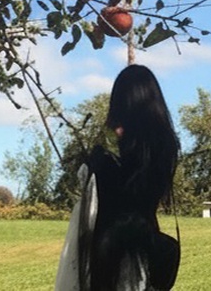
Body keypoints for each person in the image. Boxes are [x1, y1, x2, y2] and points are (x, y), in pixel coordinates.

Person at [55, 64, 181, 290]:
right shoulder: (165, 144)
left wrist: (105, 139)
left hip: (107, 246)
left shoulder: (111, 146)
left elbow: (93, 181)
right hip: (145, 241)